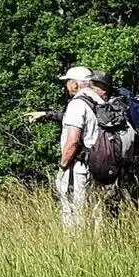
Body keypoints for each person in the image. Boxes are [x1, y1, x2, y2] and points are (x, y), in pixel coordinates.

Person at [54, 66, 106, 229]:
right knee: (95, 212)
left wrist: (63, 166)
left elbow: (73, 141)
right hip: (98, 166)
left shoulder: (77, 105)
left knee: (75, 211)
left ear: (75, 84)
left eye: (68, 82)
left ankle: (76, 246)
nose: (66, 86)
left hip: (78, 167)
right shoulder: (99, 101)